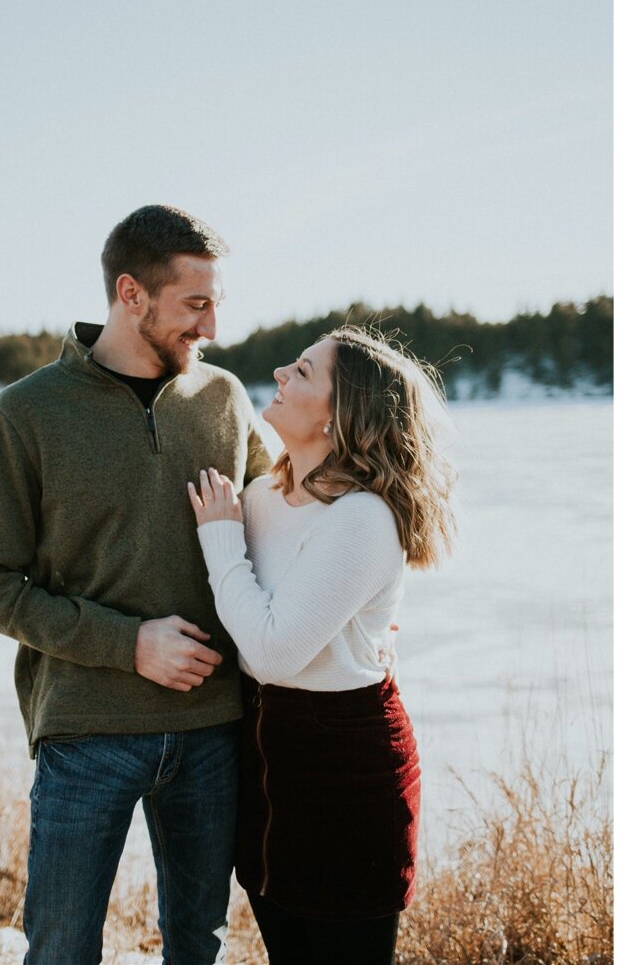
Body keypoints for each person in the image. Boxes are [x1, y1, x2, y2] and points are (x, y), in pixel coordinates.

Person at [0, 204, 271, 965]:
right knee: (63, 947)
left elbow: (281, 519)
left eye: (216, 303)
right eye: (194, 304)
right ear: (131, 294)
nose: (211, 327)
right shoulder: (27, 413)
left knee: (198, 943)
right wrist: (128, 643)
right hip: (86, 728)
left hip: (212, 726)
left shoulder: (225, 399)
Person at [188, 325, 456, 964]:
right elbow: (253, 630)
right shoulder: (258, 498)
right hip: (265, 761)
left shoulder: (362, 518)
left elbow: (274, 651)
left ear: (341, 415)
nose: (281, 372)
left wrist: (220, 542)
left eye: (304, 372)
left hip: (346, 771)